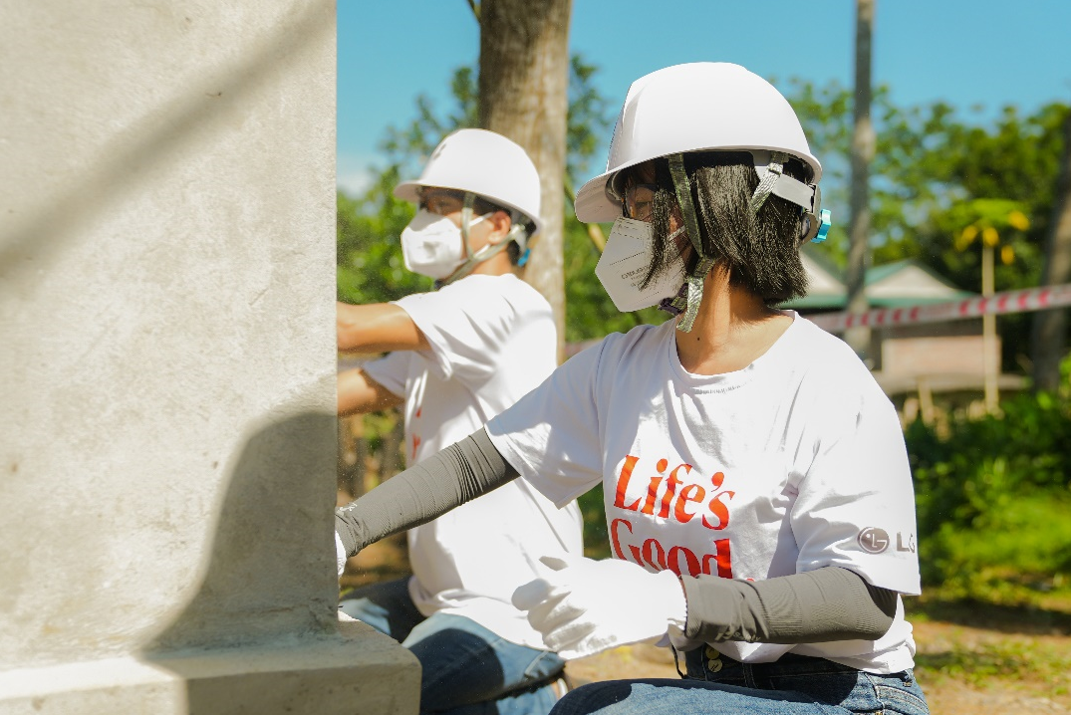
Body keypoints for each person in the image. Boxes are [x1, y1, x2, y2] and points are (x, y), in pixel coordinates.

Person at [336, 63, 929, 715]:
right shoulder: (619, 368)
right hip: (720, 680)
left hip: (851, 697)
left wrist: (678, 601)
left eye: (643, 209)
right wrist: (346, 528)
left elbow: (865, 601)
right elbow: (483, 458)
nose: (625, 233)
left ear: (719, 203)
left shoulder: (827, 383)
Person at [335, 128, 583, 714]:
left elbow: (344, 330)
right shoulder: (441, 334)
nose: (421, 221)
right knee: (303, 641)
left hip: (510, 606)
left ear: (497, 225)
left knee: (373, 699)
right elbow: (349, 388)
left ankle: (534, 690)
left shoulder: (503, 305)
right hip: (435, 596)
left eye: (440, 207)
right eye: (423, 206)